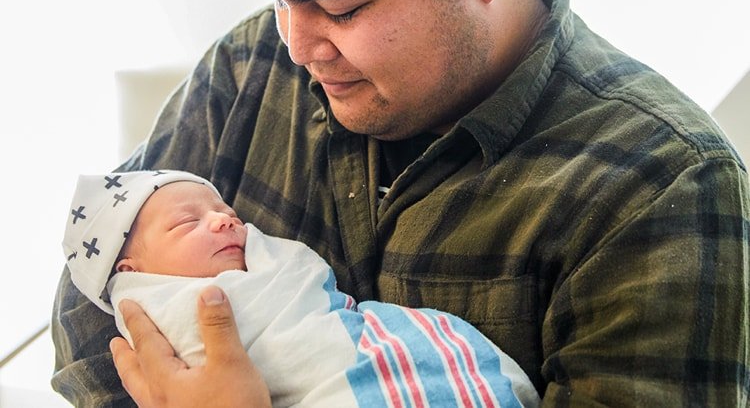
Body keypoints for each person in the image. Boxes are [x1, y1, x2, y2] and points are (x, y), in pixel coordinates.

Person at [51, 0, 749, 406]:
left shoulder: (661, 187)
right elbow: (92, 315)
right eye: (279, 1)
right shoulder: (248, 69)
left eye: (342, 7)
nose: (297, 46)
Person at [62, 169, 540, 407]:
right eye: (189, 222)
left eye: (223, 209)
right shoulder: (158, 309)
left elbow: (304, 281)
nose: (226, 220)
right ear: (132, 268)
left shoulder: (263, 266)